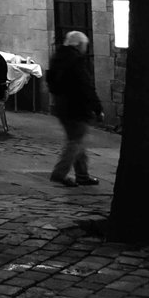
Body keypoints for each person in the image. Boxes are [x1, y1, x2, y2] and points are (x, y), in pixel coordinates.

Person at [47, 30, 104, 187]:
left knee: (77, 140)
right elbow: (86, 86)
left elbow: (51, 81)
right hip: (77, 106)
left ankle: (82, 175)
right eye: (85, 45)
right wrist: (98, 108)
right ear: (79, 45)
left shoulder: (58, 58)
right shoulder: (77, 61)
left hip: (62, 106)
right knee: (75, 141)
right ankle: (60, 173)